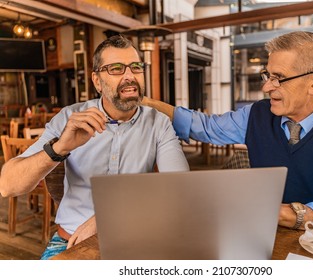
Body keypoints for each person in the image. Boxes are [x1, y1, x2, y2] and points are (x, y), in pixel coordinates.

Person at [143, 31, 313, 233]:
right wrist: (141, 102)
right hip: (261, 233)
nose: (266, 87)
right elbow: (205, 126)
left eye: (278, 78)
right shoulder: (257, 114)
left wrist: (279, 212)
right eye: (267, 75)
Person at [0, 35, 189, 259]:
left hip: (135, 240)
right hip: (70, 242)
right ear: (97, 81)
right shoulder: (69, 117)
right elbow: (7, 186)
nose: (130, 76)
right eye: (117, 68)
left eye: (136, 67)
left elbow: (180, 190)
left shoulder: (158, 123)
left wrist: (104, 219)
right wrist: (60, 148)